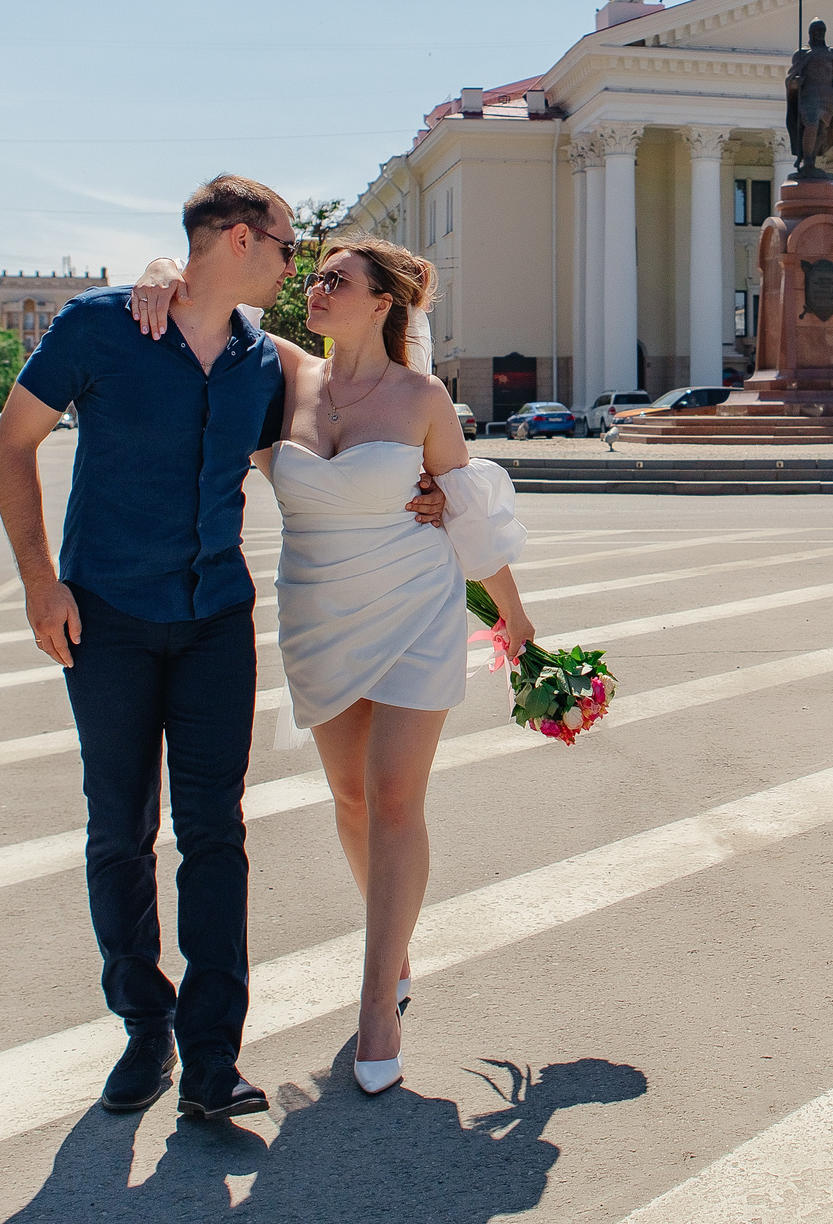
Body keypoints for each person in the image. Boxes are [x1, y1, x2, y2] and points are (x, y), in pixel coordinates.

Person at [0, 176, 444, 1123]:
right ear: (240, 240)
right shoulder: (102, 327)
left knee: (216, 834)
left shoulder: (259, 364)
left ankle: (208, 1058)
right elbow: (12, 443)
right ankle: (142, 1026)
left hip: (214, 624)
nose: (294, 267)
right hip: (105, 617)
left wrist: (436, 495)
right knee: (119, 828)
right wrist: (41, 579)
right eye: (286, 248)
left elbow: (365, 417)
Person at [132, 238, 537, 1099]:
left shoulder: (424, 397)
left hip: (414, 608)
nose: (315, 288)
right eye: (314, 275)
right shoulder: (277, 371)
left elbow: (464, 511)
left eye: (335, 280)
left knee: (395, 795)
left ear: (383, 302)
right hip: (318, 613)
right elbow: (208, 304)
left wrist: (520, 623)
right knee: (351, 800)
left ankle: (376, 999)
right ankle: (396, 946)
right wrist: (165, 273)